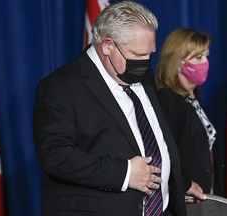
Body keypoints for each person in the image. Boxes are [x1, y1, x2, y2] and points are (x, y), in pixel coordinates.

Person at [33, 1, 187, 216]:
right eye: (138, 55)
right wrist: (125, 173)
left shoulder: (142, 72)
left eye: (149, 54)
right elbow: (55, 155)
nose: (146, 62)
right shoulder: (60, 87)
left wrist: (181, 183)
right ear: (107, 46)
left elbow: (154, 137)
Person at [155, 28, 225, 200]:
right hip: (184, 200)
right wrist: (184, 184)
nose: (206, 63)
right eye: (198, 57)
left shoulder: (193, 98)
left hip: (206, 198)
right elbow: (163, 154)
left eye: (207, 56)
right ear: (178, 62)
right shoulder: (169, 101)